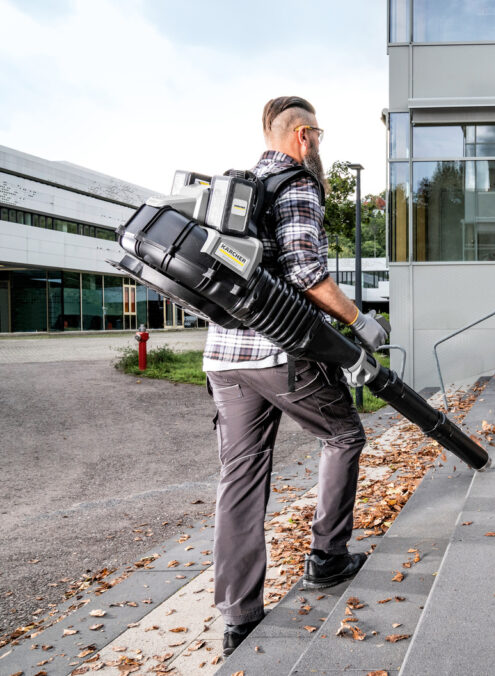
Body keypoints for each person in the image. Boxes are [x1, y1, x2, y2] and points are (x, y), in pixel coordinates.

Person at [203, 96, 387, 656]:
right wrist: (361, 321)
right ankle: (328, 557)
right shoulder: (295, 184)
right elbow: (307, 272)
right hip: (278, 351)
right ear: (303, 136)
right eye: (320, 136)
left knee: (240, 478)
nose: (320, 147)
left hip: (223, 357)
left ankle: (240, 616)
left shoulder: (233, 190)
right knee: (343, 434)